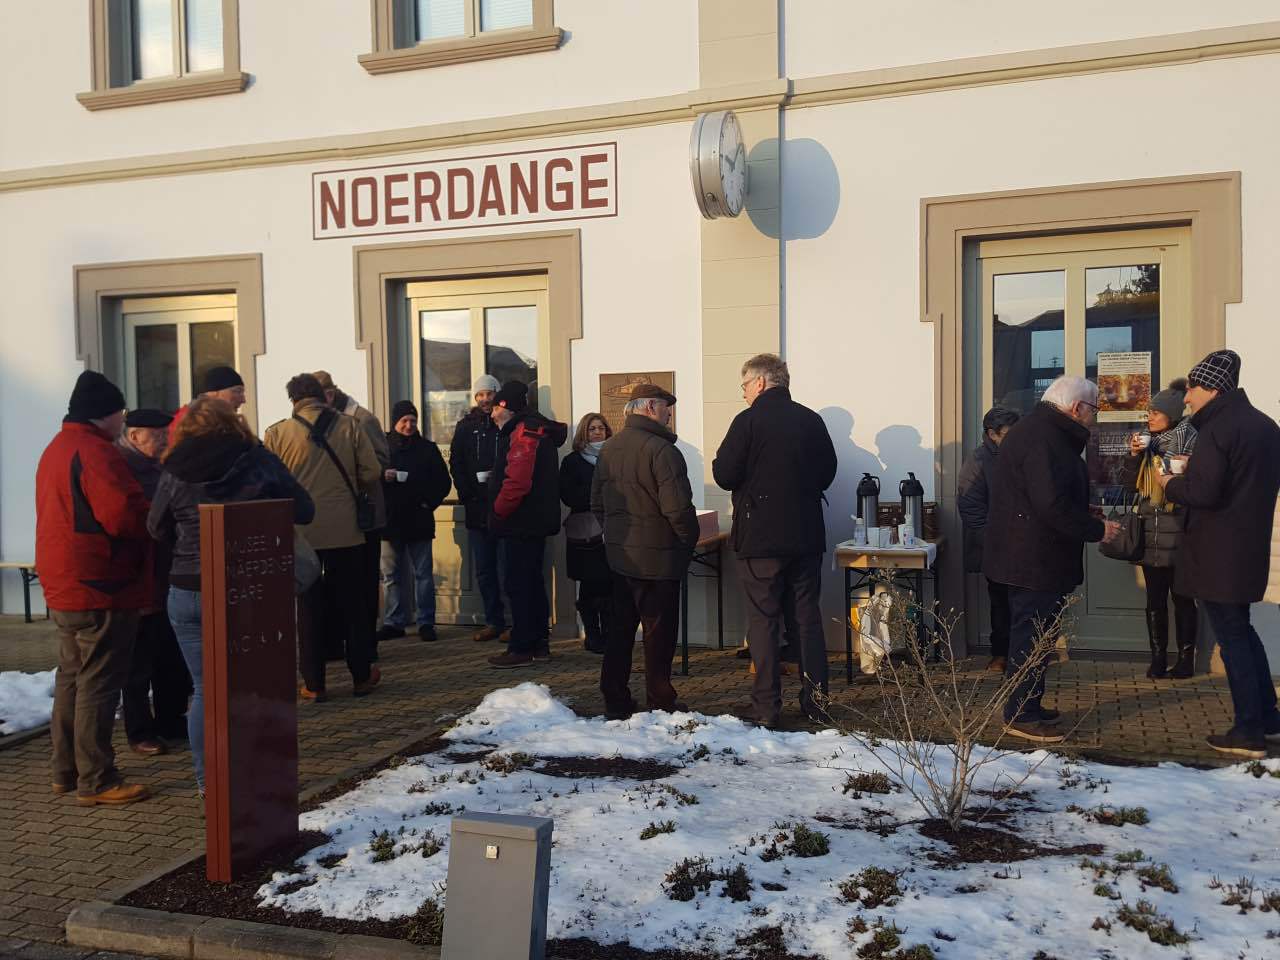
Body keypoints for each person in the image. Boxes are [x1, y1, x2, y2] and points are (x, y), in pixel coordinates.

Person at [147, 397, 314, 797]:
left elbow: (155, 527)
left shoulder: (174, 467)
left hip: (188, 587)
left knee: (205, 689)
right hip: (250, 587)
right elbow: (305, 509)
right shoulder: (256, 459)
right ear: (232, 423)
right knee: (256, 683)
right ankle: (258, 773)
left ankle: (210, 783)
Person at [36, 371, 152, 806]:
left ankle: (64, 771)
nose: (123, 420)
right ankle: (97, 779)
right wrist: (152, 515)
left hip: (65, 581)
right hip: (101, 583)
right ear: (105, 414)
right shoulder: (98, 452)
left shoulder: (57, 447)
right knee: (98, 683)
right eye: (121, 412)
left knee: (71, 678)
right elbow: (123, 517)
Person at [1157, 350, 1280, 759]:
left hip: (1217, 552)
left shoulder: (1218, 428)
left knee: (1233, 640)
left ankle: (1248, 731)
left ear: (1213, 388)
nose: (1186, 397)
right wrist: (1199, 467)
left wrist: (1170, 482)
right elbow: (1239, 480)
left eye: (1192, 387)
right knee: (1242, 632)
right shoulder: (1264, 425)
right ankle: (1268, 719)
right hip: (1247, 548)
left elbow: (1204, 493)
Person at [984, 376, 1119, 743]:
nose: (1093, 418)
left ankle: (1027, 704)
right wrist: (1096, 529)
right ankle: (1021, 714)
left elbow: (1045, 496)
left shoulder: (1040, 432)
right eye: (1094, 410)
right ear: (1077, 408)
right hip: (1034, 559)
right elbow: (1049, 504)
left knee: (1037, 637)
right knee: (1031, 638)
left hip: (1032, 555)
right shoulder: (1044, 438)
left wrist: (1082, 511)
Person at [712, 354, 837, 727]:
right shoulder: (811, 420)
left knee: (764, 621)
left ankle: (766, 707)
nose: (744, 394)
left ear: (760, 382)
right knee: (807, 619)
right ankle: (817, 703)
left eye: (744, 386)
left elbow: (724, 473)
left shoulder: (748, 421)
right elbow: (827, 473)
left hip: (760, 538)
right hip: (805, 534)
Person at [264, 374, 382, 699]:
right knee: (353, 605)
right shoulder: (350, 426)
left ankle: (314, 684)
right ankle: (361, 677)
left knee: (308, 609)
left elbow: (270, 482)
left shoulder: (277, 433)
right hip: (346, 531)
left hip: (302, 533)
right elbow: (372, 472)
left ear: (293, 400)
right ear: (323, 395)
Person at [592, 384, 699, 717]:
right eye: (667, 408)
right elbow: (678, 510)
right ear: (651, 407)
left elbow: (597, 503)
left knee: (620, 631)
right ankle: (660, 699)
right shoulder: (663, 451)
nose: (670, 415)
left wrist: (616, 536)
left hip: (621, 558)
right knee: (658, 635)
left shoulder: (609, 448)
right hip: (658, 559)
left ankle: (615, 698)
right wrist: (687, 540)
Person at [116, 408, 191, 755]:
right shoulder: (123, 469)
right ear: (134, 436)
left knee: (170, 655)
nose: (164, 440)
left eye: (166, 434)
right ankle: (139, 731)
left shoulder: (162, 467)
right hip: (140, 577)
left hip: (167, 573)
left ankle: (171, 721)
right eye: (157, 435)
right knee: (138, 662)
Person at [1119, 378, 1198, 679]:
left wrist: (1175, 465)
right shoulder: (1147, 445)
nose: (1149, 417)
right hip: (1150, 531)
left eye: (1155, 412)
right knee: (1154, 601)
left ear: (1172, 416)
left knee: (1183, 599)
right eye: (1148, 412)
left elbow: (1191, 488)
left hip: (1180, 532)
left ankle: (1186, 660)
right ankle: (1158, 659)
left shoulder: (1189, 442)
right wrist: (1134, 456)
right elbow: (1129, 486)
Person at [485, 381, 567, 668]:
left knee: (519, 584)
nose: (492, 414)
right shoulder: (534, 429)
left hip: (520, 522)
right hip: (533, 522)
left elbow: (517, 482)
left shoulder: (524, 432)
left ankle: (521, 647)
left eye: (495, 408)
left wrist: (497, 513)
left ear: (506, 407)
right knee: (532, 583)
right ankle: (539, 644)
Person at [313, 371, 390, 659]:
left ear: (330, 395)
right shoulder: (323, 422)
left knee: (364, 581)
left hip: (364, 515)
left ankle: (366, 645)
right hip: (336, 517)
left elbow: (380, 461)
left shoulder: (363, 419)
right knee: (336, 582)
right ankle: (338, 642)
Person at [378, 400, 452, 643]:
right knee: (391, 575)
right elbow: (367, 476)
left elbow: (443, 482)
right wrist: (382, 476)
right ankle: (393, 622)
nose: (409, 425)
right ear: (395, 422)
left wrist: (428, 502)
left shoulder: (427, 449)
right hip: (390, 520)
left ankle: (426, 622)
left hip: (419, 519)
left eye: (413, 420)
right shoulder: (382, 447)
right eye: (404, 421)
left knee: (423, 574)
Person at [957, 406, 1021, 673]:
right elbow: (970, 507)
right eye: (1009, 434)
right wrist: (993, 540)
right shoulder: (979, 460)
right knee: (1001, 602)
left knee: (1027, 602)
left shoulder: (1024, 454)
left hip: (1026, 542)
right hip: (997, 545)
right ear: (992, 434)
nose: (1016, 438)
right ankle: (1001, 654)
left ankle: (1027, 653)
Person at [450, 374, 507, 643]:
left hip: (503, 508)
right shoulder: (465, 427)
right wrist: (467, 493)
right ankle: (493, 621)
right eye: (480, 395)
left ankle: (513, 623)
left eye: (489, 393)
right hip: (476, 509)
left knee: (507, 569)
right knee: (484, 570)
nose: (485, 399)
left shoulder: (504, 423)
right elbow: (456, 463)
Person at [559, 412, 614, 654]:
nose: (598, 432)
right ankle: (592, 635)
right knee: (590, 584)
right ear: (584, 432)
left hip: (612, 531)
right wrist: (598, 494)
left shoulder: (614, 457)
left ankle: (609, 635)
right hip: (586, 534)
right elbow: (568, 495)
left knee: (610, 585)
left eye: (601, 428)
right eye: (592, 429)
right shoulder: (572, 461)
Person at [168, 366, 246, 443]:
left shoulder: (218, 421)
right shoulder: (189, 421)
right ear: (213, 393)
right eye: (237, 391)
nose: (243, 400)